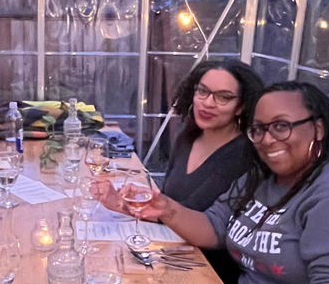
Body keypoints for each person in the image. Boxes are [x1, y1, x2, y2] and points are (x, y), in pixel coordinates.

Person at [107, 81, 329, 283]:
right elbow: (214, 228)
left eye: (281, 126)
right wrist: (165, 208)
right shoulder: (260, 178)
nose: (267, 139)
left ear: (319, 128)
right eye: (258, 129)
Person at [97, 59, 263, 283]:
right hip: (166, 253)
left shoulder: (244, 155)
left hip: (205, 269)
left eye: (223, 97)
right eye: (202, 91)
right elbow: (168, 206)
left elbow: (194, 215)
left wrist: (135, 207)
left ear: (241, 106)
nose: (208, 103)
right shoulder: (187, 138)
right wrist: (122, 204)